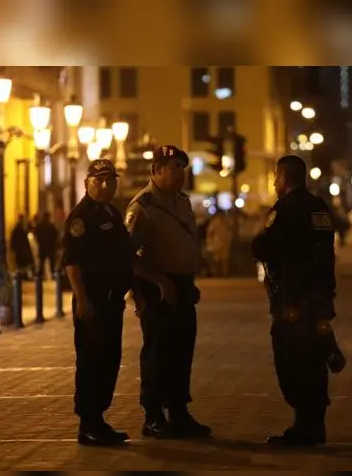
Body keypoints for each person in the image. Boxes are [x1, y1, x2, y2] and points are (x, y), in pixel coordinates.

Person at [251, 155, 339, 446]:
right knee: (315, 361)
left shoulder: (285, 209)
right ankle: (315, 424)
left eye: (276, 177)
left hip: (291, 300)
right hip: (319, 299)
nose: (274, 183)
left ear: (284, 178)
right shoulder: (319, 207)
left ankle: (304, 426)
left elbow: (262, 248)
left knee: (291, 361)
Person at [126, 145, 212, 439]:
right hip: (157, 289)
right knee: (157, 352)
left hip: (182, 286)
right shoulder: (143, 207)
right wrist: (160, 281)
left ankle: (178, 411)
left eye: (182, 168)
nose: (180, 174)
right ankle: (152, 415)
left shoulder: (182, 202)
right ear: (156, 170)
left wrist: (189, 281)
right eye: (174, 168)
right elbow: (128, 255)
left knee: (182, 350)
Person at [60, 159, 133, 447]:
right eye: (98, 180)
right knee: (91, 361)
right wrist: (81, 298)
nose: (105, 185)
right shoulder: (82, 217)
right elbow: (72, 262)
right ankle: (88, 422)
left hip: (112, 300)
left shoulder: (112, 212)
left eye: (110, 180)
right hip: (93, 300)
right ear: (87, 184)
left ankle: (99, 419)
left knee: (109, 359)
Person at [205, 211, 233, 278]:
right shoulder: (215, 222)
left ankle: (224, 273)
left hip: (224, 242)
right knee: (218, 259)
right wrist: (211, 241)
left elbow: (231, 231)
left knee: (224, 259)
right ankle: (219, 273)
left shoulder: (226, 222)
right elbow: (210, 232)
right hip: (218, 242)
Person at [33, 212, 60, 280]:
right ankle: (51, 275)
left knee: (43, 262)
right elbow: (55, 234)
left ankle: (41, 276)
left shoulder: (42, 226)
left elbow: (36, 233)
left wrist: (39, 241)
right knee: (49, 262)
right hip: (48, 247)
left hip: (44, 247)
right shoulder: (49, 225)